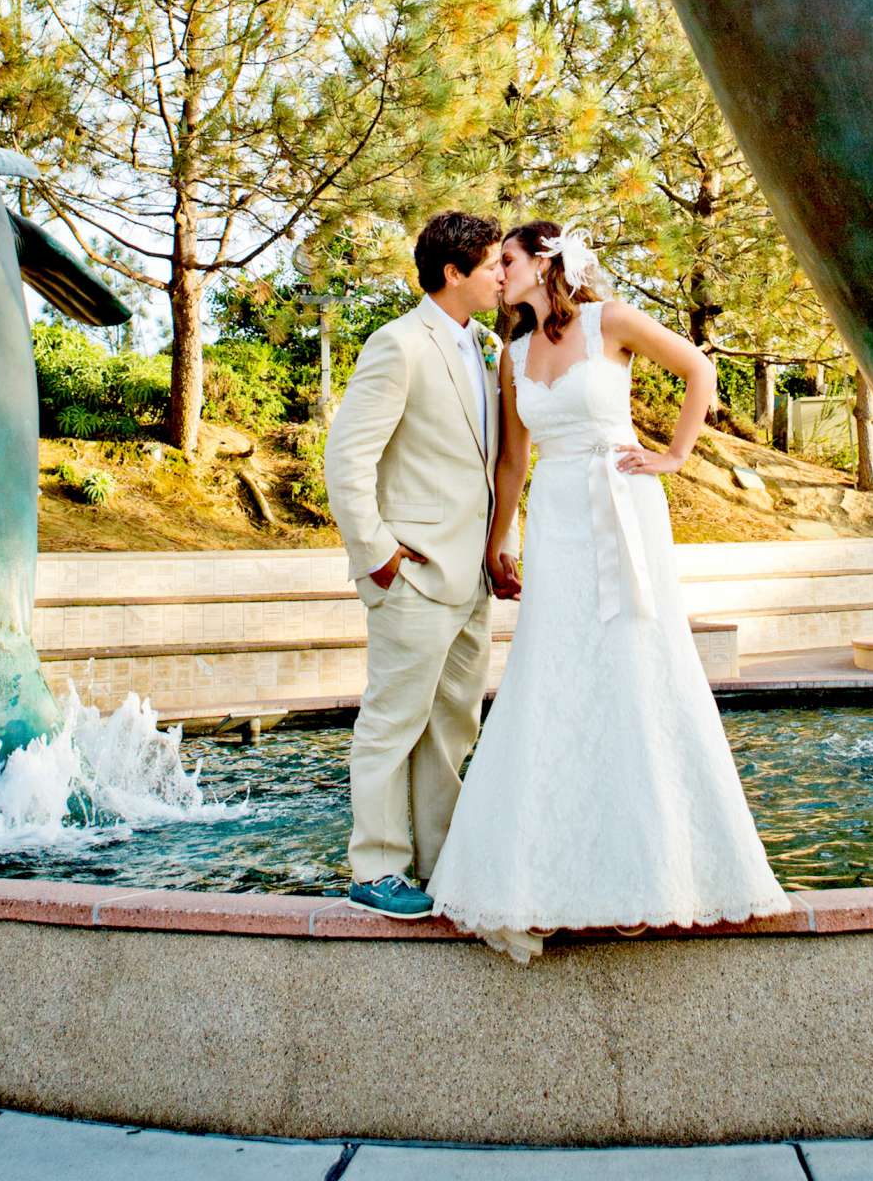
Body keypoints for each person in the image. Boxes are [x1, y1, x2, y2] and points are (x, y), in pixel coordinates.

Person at [428, 218, 790, 960]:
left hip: (623, 504)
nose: (498, 273)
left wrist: (676, 455)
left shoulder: (610, 321)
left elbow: (698, 370)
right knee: (553, 671)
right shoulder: (512, 354)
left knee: (635, 659)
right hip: (556, 513)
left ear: (544, 263)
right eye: (494, 263)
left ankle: (658, 873)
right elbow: (511, 463)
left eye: (507, 259)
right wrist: (500, 541)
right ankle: (547, 875)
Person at [321, 209, 517, 918]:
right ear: (452, 272)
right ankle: (375, 867)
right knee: (391, 723)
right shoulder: (397, 344)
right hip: (412, 571)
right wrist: (377, 557)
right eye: (493, 264)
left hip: (472, 578)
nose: (504, 275)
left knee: (452, 725)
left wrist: (502, 546)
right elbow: (347, 459)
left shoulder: (489, 347)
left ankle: (437, 864)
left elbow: (496, 465)